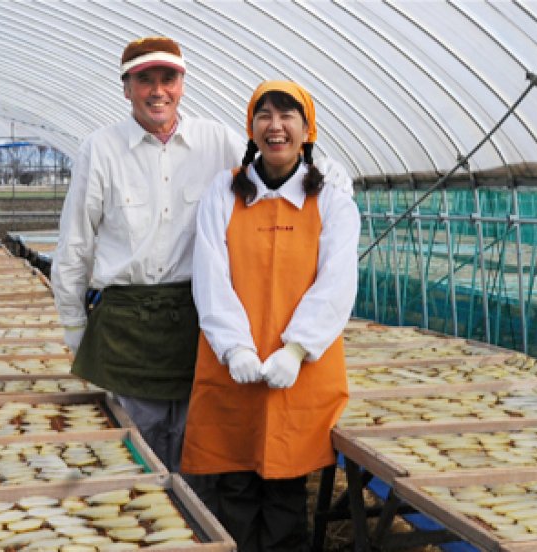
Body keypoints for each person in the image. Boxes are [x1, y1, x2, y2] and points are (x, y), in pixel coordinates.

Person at [50, 36, 351, 481]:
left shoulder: (218, 142)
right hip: (126, 327)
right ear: (126, 87)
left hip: (198, 322)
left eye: (167, 79)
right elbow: (74, 245)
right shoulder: (100, 149)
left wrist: (335, 194)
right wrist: (75, 326)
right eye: (144, 79)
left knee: (199, 453)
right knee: (136, 454)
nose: (158, 91)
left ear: (182, 84)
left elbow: (284, 160)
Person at [181, 80, 360, 552]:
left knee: (285, 494)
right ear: (251, 126)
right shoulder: (224, 191)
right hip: (231, 368)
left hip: (299, 373)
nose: (275, 126)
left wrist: (297, 349)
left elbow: (336, 284)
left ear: (307, 129)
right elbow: (211, 275)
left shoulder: (334, 201)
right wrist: (234, 345)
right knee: (234, 492)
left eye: (287, 116)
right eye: (264, 115)